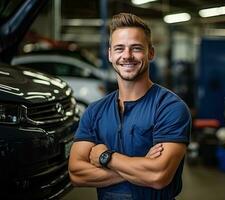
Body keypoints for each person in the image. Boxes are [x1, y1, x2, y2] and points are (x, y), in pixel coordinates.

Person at [68, 12, 191, 200]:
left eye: (136, 48)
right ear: (110, 54)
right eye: (119, 48)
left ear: (151, 52)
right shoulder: (95, 111)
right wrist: (140, 169)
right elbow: (76, 173)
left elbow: (158, 176)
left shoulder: (170, 108)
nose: (127, 56)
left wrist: (106, 157)